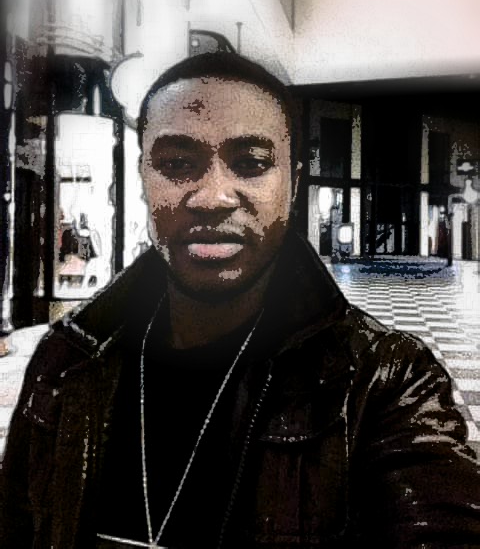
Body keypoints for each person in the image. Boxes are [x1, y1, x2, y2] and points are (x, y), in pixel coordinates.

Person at [1, 52, 480, 549]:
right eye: (177, 164)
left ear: (293, 185)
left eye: (251, 163)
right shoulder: (68, 361)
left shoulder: (383, 383)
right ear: (142, 178)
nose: (213, 197)